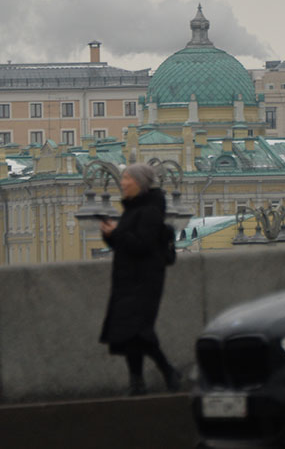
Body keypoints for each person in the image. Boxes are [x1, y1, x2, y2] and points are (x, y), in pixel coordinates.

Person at [98, 163, 181, 396]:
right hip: (128, 280)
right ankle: (138, 383)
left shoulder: (150, 212)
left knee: (138, 331)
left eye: (127, 178)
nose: (122, 183)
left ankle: (165, 371)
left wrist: (117, 233)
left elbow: (142, 245)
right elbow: (125, 244)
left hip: (144, 281)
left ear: (140, 183)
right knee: (129, 334)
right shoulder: (134, 209)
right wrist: (110, 236)